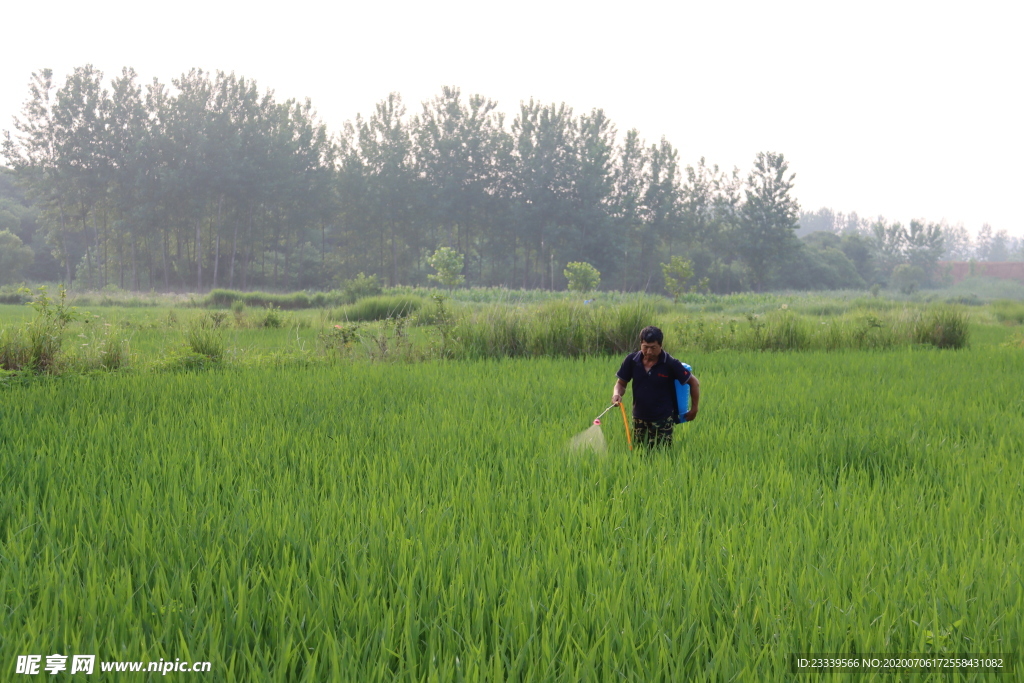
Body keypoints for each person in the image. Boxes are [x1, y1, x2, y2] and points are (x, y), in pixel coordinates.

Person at [611, 326, 699, 449]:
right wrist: (616, 394)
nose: (649, 352)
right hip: (639, 418)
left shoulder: (670, 363)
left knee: (662, 455)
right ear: (641, 344)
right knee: (640, 453)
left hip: (662, 420)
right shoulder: (631, 360)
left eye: (653, 348)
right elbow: (621, 383)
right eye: (645, 347)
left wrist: (694, 409)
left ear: (660, 345)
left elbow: (694, 382)